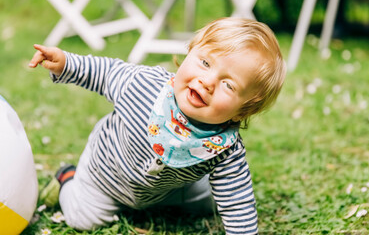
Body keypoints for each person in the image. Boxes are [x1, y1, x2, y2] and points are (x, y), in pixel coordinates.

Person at [29, 17, 286, 235]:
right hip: (104, 175)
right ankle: (67, 178)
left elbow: (237, 202)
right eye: (205, 63)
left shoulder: (225, 149)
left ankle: (172, 199)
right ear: (189, 52)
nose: (208, 81)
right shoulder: (144, 86)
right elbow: (105, 73)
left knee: (212, 202)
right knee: (84, 219)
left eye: (229, 85)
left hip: (163, 190)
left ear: (243, 111)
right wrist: (66, 63)